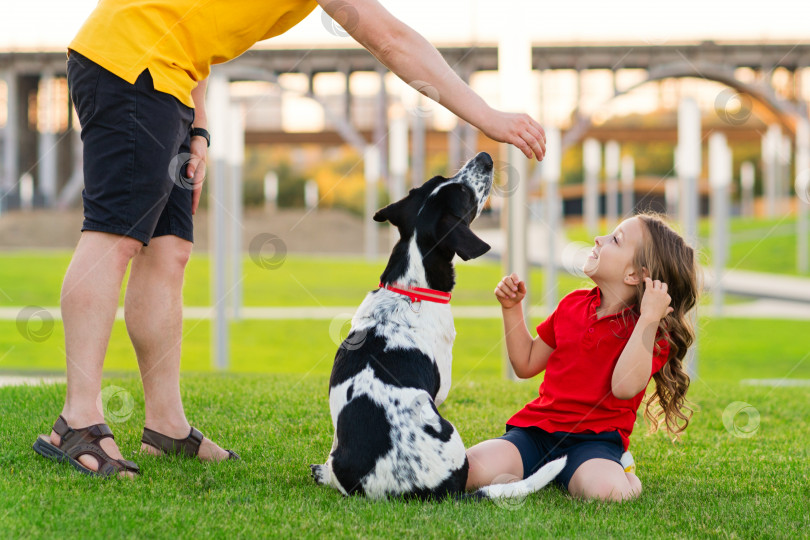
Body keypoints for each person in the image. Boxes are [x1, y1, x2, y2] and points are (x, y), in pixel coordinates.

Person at [32, 0, 548, 477]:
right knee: (115, 238)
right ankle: (77, 421)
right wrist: (490, 119)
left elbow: (191, 28)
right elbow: (389, 38)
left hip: (169, 78)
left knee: (169, 252)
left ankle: (165, 425)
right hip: (130, 66)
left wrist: (200, 127)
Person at [466, 214, 698, 501]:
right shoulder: (572, 305)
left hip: (594, 443)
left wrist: (649, 317)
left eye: (615, 239)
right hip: (537, 432)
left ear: (635, 275)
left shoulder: (651, 332)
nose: (599, 239)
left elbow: (623, 387)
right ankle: (533, 469)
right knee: (469, 469)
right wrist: (511, 308)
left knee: (606, 492)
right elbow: (525, 363)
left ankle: (626, 475)